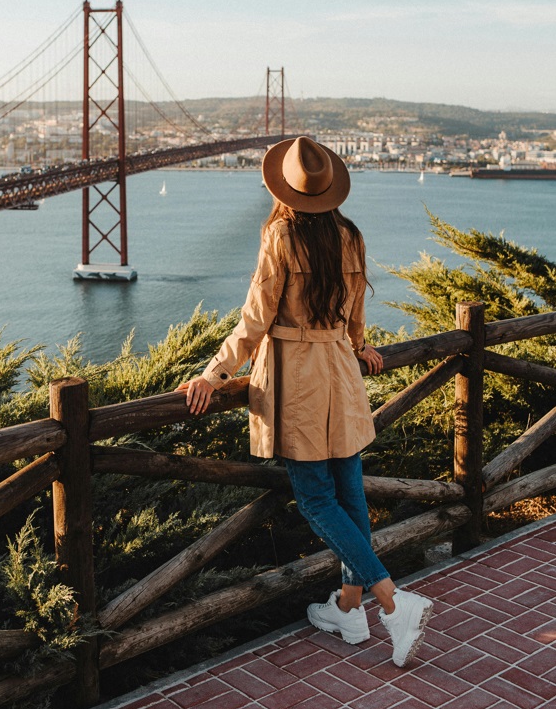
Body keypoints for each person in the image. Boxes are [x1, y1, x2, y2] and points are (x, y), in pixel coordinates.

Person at [177, 136, 433, 668]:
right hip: (341, 369)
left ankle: (391, 602)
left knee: (316, 497)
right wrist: (360, 346)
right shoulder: (350, 235)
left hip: (298, 379)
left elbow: (255, 319)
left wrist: (212, 372)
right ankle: (348, 607)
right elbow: (356, 309)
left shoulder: (280, 236)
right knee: (350, 490)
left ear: (284, 188)